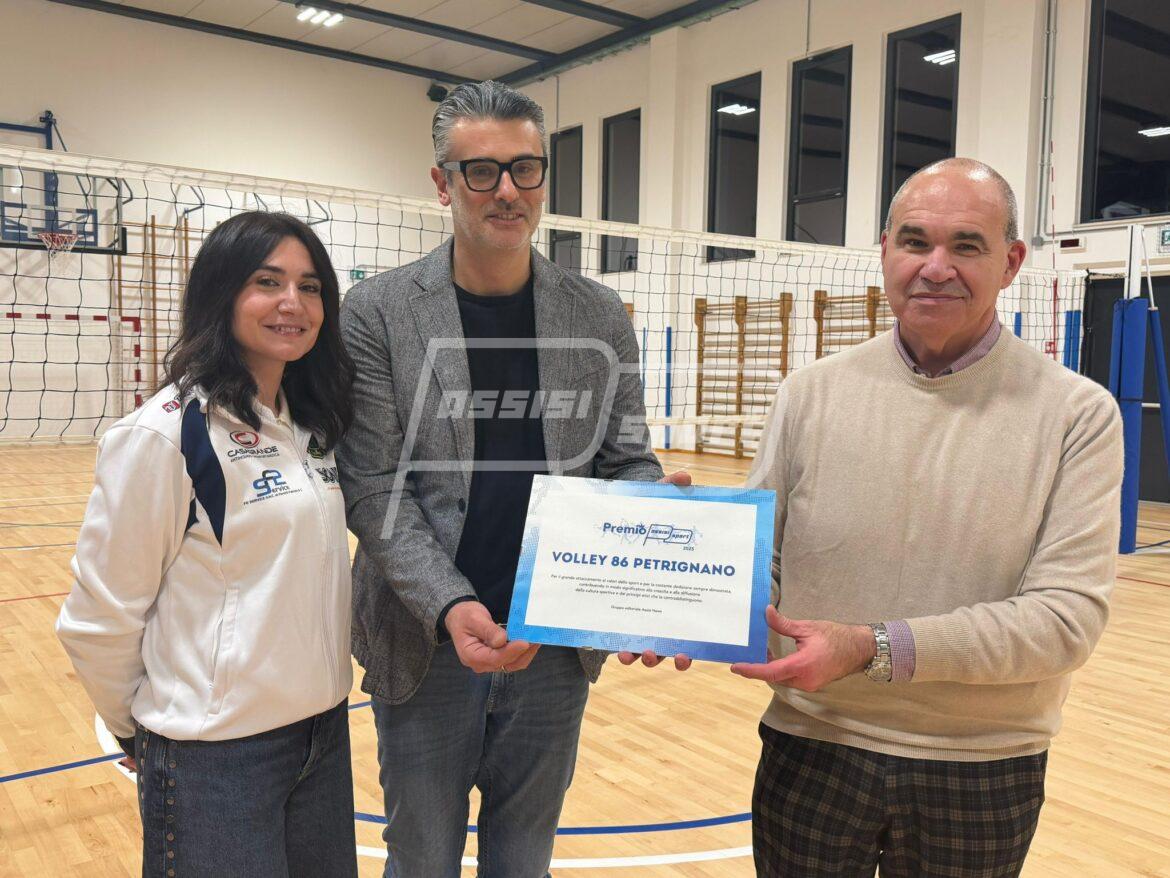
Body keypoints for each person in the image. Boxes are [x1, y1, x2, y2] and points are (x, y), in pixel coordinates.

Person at [732, 158, 1123, 877]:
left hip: (982, 763)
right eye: (915, 242)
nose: (935, 268)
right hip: (813, 742)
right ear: (886, 250)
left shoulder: (1078, 414)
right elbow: (762, 563)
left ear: (1011, 263)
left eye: (966, 246)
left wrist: (869, 647)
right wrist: (680, 591)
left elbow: (1065, 622)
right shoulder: (808, 393)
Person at [337, 80, 687, 878]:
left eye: (525, 169)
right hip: (425, 644)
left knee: (524, 861)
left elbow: (626, 458)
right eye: (481, 170)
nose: (507, 190)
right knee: (421, 859)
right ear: (442, 183)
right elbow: (374, 484)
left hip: (553, 646)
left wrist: (654, 519)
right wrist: (450, 604)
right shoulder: (378, 311)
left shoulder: (597, 313)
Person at [56, 211, 358, 878]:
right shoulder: (164, 434)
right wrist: (144, 731)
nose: (292, 302)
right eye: (267, 282)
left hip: (322, 733)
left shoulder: (311, 425)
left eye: (310, 287)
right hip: (215, 757)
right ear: (222, 293)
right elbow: (99, 619)